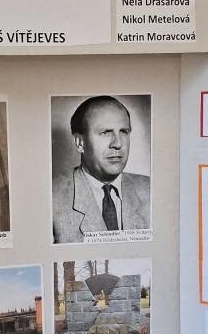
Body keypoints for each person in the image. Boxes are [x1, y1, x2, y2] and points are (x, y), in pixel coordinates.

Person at [52, 95, 150, 243]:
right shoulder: (51, 200)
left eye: (124, 131)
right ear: (80, 143)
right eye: (105, 132)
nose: (117, 144)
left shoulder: (151, 190)